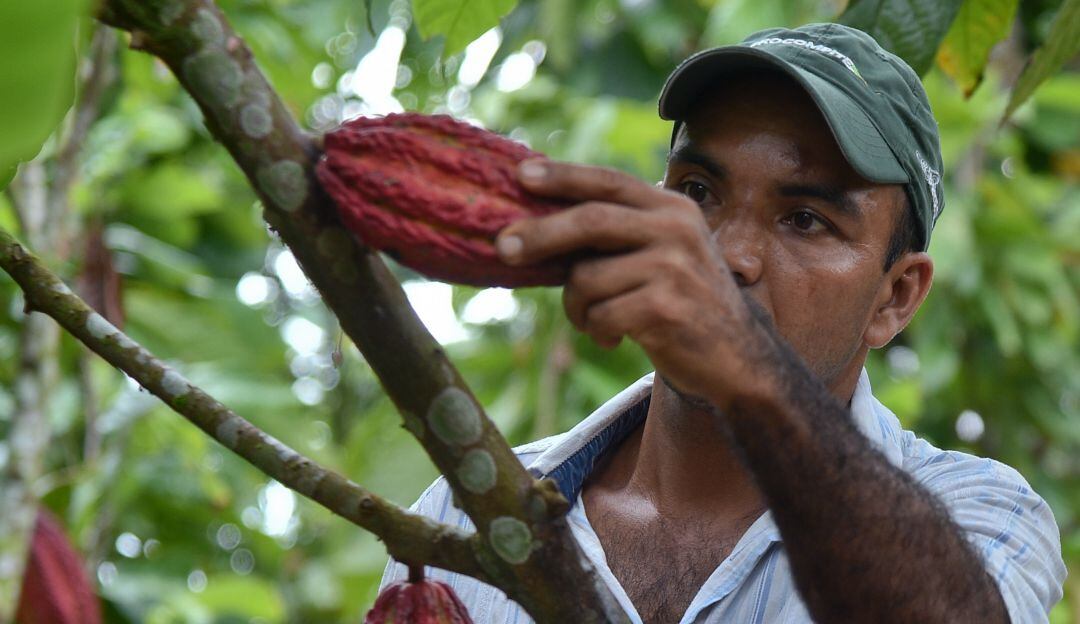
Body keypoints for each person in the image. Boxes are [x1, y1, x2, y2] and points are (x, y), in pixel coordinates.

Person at [381, 23, 1066, 623]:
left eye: (805, 220)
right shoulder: (464, 511)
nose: (727, 255)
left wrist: (750, 369)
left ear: (894, 299)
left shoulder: (980, 515)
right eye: (699, 192)